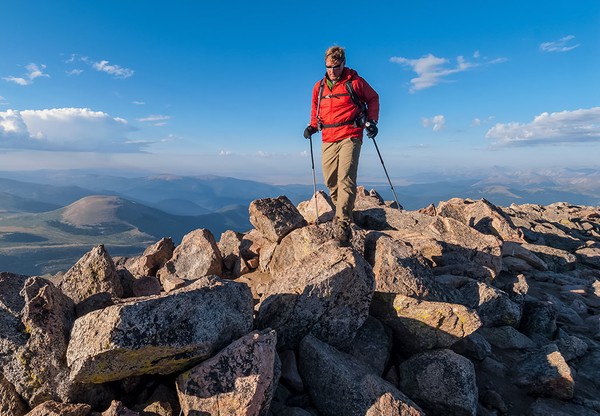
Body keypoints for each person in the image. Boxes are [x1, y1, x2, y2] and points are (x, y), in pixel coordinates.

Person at [304, 46, 380, 245]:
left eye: (336, 67)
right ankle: (344, 210)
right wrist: (313, 126)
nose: (332, 71)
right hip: (328, 136)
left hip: (351, 134)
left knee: (345, 177)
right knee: (330, 180)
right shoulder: (319, 87)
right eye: (328, 67)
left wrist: (371, 121)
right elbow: (315, 107)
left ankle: (343, 225)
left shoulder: (355, 82)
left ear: (343, 63)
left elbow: (373, 98)